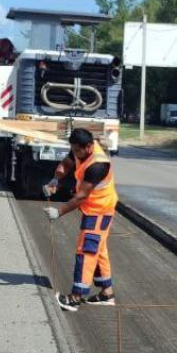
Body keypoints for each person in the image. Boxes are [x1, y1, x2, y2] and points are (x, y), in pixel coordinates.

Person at [43, 128, 118, 311]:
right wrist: (56, 180)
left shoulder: (98, 165)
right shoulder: (79, 149)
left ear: (89, 147)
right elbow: (67, 163)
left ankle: (75, 297)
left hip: (99, 211)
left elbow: (81, 196)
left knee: (86, 251)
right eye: (73, 149)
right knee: (99, 250)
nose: (75, 153)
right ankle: (106, 293)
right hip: (95, 209)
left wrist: (59, 212)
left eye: (78, 151)